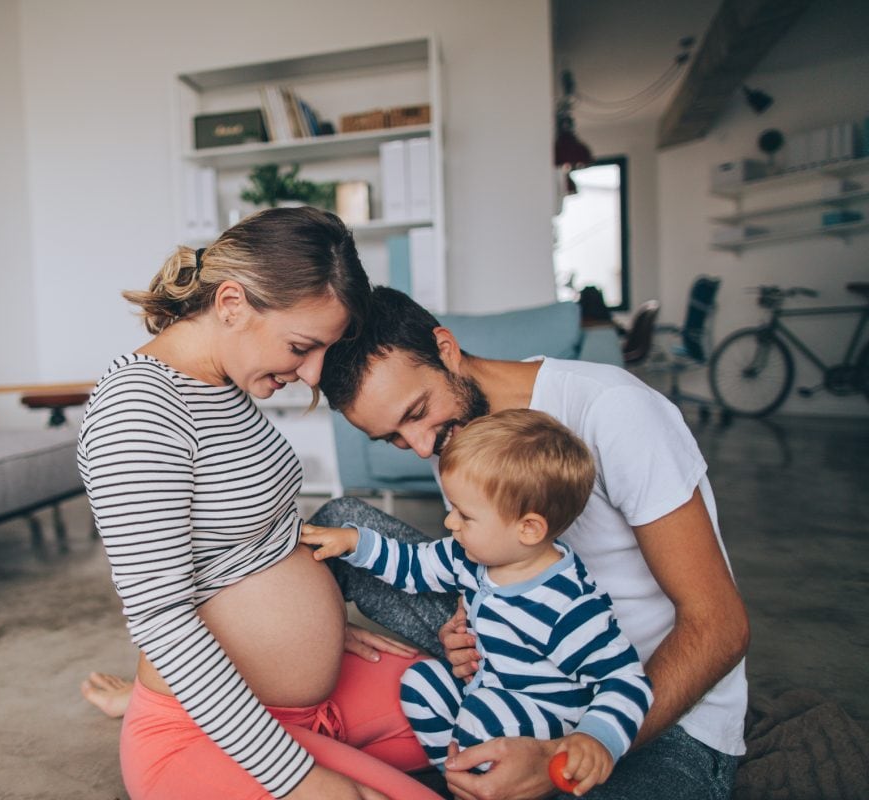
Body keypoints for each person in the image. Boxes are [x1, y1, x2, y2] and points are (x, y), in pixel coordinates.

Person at [312, 285, 749, 800]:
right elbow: (486, 557)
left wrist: (567, 754)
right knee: (337, 525)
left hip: (652, 709)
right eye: (394, 438)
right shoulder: (450, 431)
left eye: (415, 412)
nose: (421, 447)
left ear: (446, 349)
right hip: (519, 669)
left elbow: (720, 624)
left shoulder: (612, 410)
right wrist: (463, 617)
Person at [76, 209, 442, 800]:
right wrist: (301, 780)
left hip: (304, 695)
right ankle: (148, 720)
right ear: (230, 304)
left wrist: (314, 631)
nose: (313, 373)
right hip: (205, 729)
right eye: (302, 346)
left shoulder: (221, 381)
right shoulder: (139, 412)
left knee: (482, 719)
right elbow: (161, 619)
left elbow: (246, 544)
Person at [301, 409, 654, 797]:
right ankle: (460, 778)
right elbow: (413, 565)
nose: (450, 523)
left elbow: (625, 680)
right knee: (420, 683)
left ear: (529, 528)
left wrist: (596, 738)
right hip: (487, 687)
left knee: (483, 716)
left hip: (544, 718)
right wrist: (354, 543)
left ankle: (478, 775)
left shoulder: (566, 606)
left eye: (464, 515)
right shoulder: (470, 556)